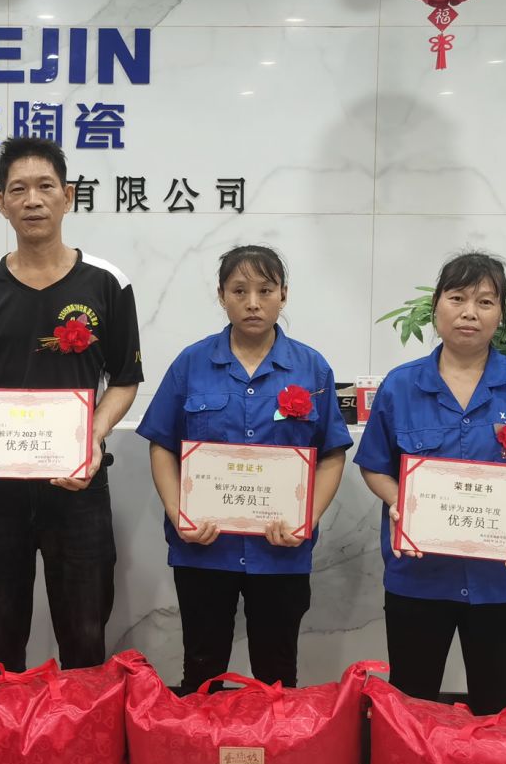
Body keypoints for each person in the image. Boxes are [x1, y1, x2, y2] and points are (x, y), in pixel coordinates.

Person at [0, 136, 142, 672]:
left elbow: (125, 380)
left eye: (45, 186)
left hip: (78, 486)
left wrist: (92, 437)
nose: (32, 199)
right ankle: (3, 724)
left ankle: (81, 726)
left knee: (85, 635)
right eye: (18, 189)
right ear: (1, 202)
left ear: (68, 196)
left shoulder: (107, 283)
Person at [355, 253, 506, 715]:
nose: (470, 312)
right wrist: (398, 501)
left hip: (503, 580)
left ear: (501, 313)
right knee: (412, 705)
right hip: (419, 577)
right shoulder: (401, 385)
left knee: (499, 707)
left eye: (485, 301)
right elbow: (373, 465)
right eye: (457, 298)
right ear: (436, 306)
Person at [136, 246, 350, 693]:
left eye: (265, 291)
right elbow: (162, 446)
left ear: (283, 295)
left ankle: (272, 741)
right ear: (222, 296)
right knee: (202, 670)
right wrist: (179, 513)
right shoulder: (192, 363)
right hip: (203, 547)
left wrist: (307, 518)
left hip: (280, 552)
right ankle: (203, 740)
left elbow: (331, 453)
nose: (253, 303)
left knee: (277, 674)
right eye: (239, 291)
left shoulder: (312, 368)